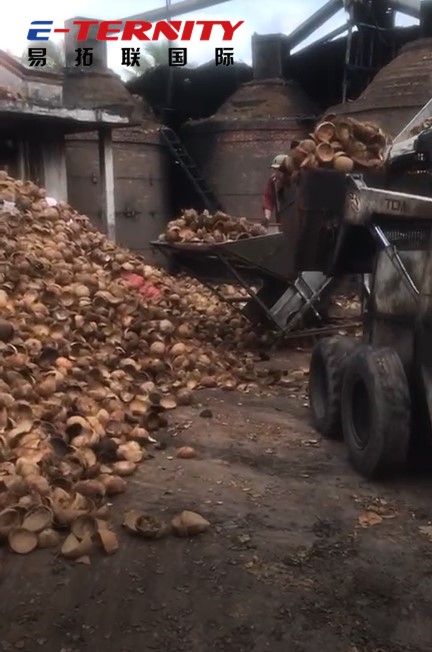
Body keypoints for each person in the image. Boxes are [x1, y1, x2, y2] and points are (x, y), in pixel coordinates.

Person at [261, 154, 291, 229]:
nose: (276, 172)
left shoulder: (296, 179)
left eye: (278, 169)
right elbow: (269, 198)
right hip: (281, 216)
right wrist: (266, 218)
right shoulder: (273, 180)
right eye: (274, 169)